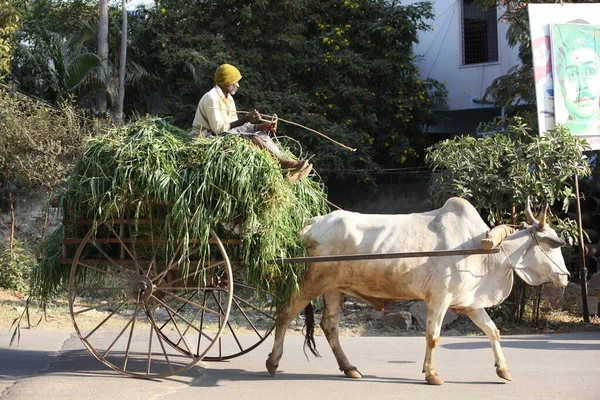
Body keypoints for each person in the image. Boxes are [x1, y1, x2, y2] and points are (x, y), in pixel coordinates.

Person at [191, 64, 312, 182]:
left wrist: (260, 126)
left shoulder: (229, 98)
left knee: (261, 133)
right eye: (235, 82)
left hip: (221, 133)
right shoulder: (211, 98)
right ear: (226, 81)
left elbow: (235, 126)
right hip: (206, 137)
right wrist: (246, 119)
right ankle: (285, 164)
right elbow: (219, 129)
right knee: (253, 138)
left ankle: (285, 162)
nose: (238, 85)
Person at [553, 24, 600, 135]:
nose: (582, 85)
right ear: (561, 83)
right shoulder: (556, 138)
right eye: (573, 74)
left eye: (590, 71)